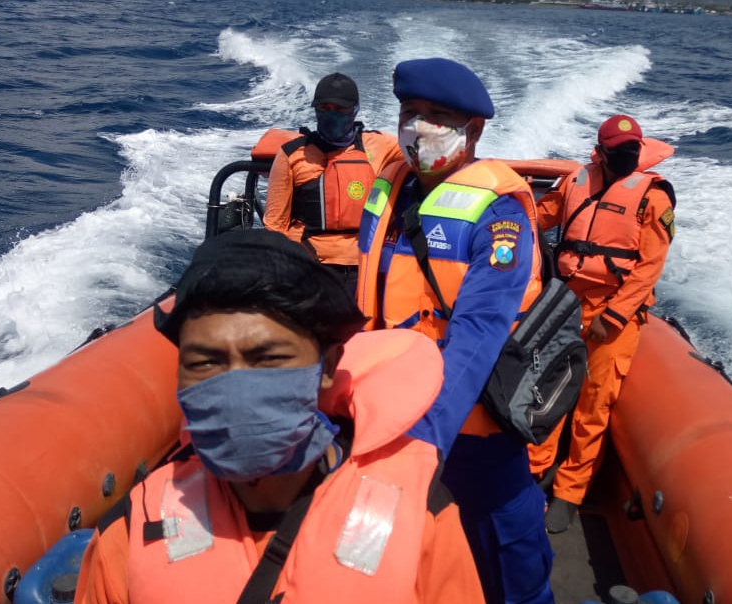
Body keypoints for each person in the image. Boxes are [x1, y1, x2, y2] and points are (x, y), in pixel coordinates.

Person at [74, 229, 483, 603]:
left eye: (267, 358)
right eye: (204, 362)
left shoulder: (421, 510)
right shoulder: (130, 526)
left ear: (326, 367)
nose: (235, 385)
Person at [355, 58, 554, 604]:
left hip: (468, 429)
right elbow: (367, 290)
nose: (418, 126)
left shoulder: (499, 214)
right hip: (381, 415)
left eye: (436, 116)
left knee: (507, 569)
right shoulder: (391, 188)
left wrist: (426, 439)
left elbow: (480, 329)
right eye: (409, 112)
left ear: (474, 130)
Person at [533, 114, 677, 534]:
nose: (627, 158)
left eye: (634, 151)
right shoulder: (576, 180)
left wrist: (613, 315)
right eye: (619, 152)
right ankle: (535, 469)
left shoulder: (653, 196)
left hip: (614, 312)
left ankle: (569, 492)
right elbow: (540, 217)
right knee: (546, 390)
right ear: (601, 151)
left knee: (594, 404)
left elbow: (650, 267)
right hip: (566, 301)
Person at [263, 72, 402, 293]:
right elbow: (275, 225)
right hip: (309, 266)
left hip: (366, 263)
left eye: (340, 109)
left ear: (354, 110)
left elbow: (422, 156)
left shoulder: (381, 146)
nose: (331, 115)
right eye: (324, 108)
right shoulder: (292, 154)